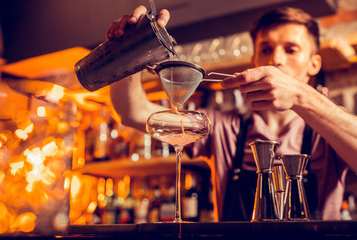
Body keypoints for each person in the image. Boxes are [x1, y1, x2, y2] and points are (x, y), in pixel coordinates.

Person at [108, 5, 357, 221]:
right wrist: (129, 50)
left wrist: (301, 96)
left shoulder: (330, 130)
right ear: (254, 61)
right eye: (266, 49)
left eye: (291, 50)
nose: (276, 60)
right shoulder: (224, 127)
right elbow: (134, 112)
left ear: (313, 64)